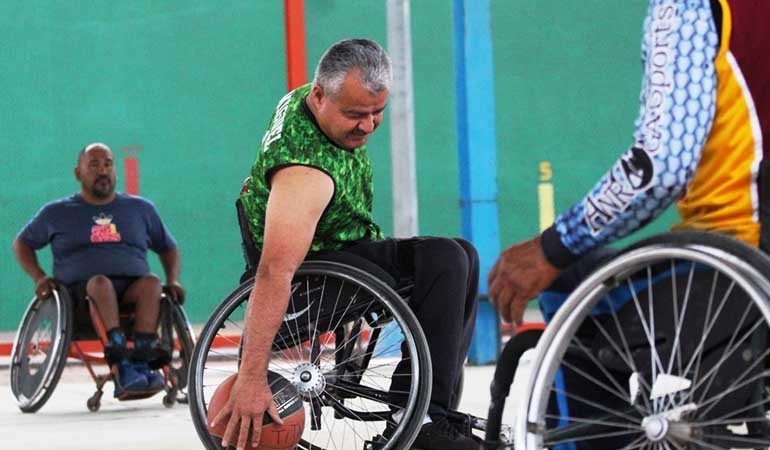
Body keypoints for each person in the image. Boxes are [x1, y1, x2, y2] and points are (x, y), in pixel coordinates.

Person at [489, 1, 769, 447]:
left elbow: (660, 168)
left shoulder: (689, 8)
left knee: (574, 275)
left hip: (738, 264)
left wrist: (553, 247)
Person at [210, 39, 480, 450]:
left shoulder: (312, 97)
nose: (368, 125)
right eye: (355, 114)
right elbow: (273, 271)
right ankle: (420, 419)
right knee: (444, 260)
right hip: (311, 278)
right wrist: (250, 376)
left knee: (463, 254)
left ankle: (429, 411)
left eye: (378, 112)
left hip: (344, 248)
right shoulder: (305, 173)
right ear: (319, 97)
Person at [13, 142, 184, 398]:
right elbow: (22, 243)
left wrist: (173, 280)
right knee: (100, 284)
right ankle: (121, 364)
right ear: (78, 173)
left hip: (132, 296)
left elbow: (168, 248)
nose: (102, 171)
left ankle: (142, 359)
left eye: (108, 164)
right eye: (94, 165)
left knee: (152, 283)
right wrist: (39, 278)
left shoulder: (141, 209)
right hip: (79, 302)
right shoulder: (57, 212)